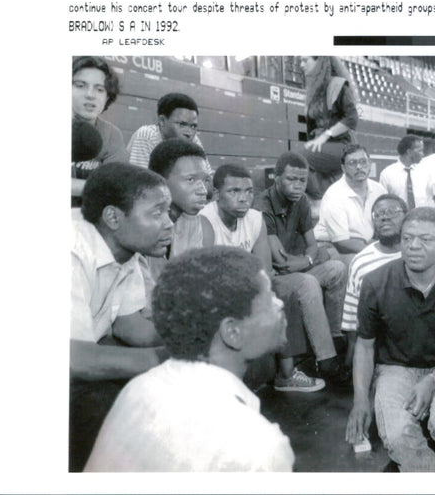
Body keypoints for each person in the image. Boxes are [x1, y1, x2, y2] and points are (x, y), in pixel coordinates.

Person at [85, 247, 295, 471]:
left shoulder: (137, 390)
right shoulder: (261, 447)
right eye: (270, 300)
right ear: (232, 332)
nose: (280, 303)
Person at [345, 207, 435, 472]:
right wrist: (360, 399)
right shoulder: (375, 282)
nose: (414, 246)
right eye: (407, 238)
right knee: (398, 436)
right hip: (394, 369)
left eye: (425, 239)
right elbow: (365, 346)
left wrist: (433, 379)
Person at [202, 162, 346, 390]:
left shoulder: (254, 217)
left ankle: (303, 366)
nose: (243, 198)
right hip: (218, 293)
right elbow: (208, 276)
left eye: (248, 191)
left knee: (289, 286)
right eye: (234, 191)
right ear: (217, 194)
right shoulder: (206, 220)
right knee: (295, 285)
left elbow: (264, 270)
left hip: (252, 281)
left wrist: (306, 260)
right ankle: (292, 371)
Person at [70, 162, 172, 470]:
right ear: (113, 217)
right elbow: (73, 359)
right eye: (157, 213)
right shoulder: (70, 250)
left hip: (82, 357)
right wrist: (172, 358)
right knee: (105, 407)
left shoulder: (126, 253)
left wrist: (195, 336)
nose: (169, 224)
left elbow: (130, 327)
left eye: (167, 212)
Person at [253, 152, 350, 382]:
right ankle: (326, 360)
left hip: (296, 266)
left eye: (302, 180)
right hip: (272, 275)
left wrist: (306, 260)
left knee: (337, 268)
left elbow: (312, 245)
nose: (298, 185)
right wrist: (308, 258)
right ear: (276, 178)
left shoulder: (302, 201)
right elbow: (280, 260)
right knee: (308, 282)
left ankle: (335, 338)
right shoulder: (262, 205)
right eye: (291, 179)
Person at [341, 194, 409, 368]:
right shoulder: (361, 262)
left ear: (406, 216)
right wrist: (352, 362)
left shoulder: (424, 252)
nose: (384, 217)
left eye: (392, 212)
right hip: (383, 353)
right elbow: (352, 319)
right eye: (378, 214)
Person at [313, 144, 387, 266]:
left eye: (363, 161)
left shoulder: (379, 190)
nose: (359, 167)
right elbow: (342, 243)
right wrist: (378, 252)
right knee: (368, 264)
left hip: (365, 242)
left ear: (369, 164)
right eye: (352, 163)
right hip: (331, 247)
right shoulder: (334, 195)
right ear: (343, 168)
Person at [300, 56, 360, 199]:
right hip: (323, 145)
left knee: (301, 158)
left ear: (320, 61)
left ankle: (320, 199)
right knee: (296, 159)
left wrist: (326, 135)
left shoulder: (338, 84)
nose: (301, 65)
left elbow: (352, 118)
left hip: (342, 145)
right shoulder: (313, 90)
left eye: (305, 60)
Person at [148, 138, 214, 259]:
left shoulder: (197, 225)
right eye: (191, 179)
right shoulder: (140, 226)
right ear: (160, 180)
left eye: (206, 180)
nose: (203, 190)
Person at [71, 56, 127, 198]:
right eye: (80, 86)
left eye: (100, 89)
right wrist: (97, 188)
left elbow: (116, 185)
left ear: (107, 97)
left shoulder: (112, 135)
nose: (90, 95)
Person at [126, 92, 212, 177]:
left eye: (193, 126)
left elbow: (207, 176)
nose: (189, 133)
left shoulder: (194, 140)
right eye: (182, 124)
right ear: (162, 121)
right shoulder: (147, 136)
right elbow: (141, 180)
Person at [378, 134, 432, 208]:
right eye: (420, 151)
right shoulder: (387, 174)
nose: (423, 154)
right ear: (409, 152)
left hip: (421, 214)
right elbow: (383, 202)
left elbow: (430, 197)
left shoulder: (424, 172)